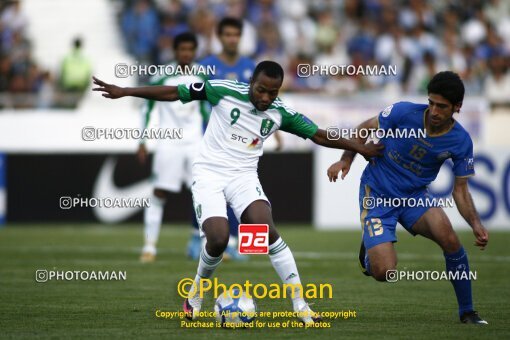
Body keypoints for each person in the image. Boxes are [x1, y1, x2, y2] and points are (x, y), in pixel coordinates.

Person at [92, 60, 383, 324]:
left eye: (273, 92)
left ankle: (301, 306)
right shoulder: (223, 90)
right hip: (208, 174)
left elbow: (319, 134)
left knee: (265, 230)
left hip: (244, 177)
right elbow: (174, 92)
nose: (266, 98)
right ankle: (195, 294)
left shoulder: (281, 112)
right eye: (261, 90)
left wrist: (358, 148)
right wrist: (126, 91)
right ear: (251, 83)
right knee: (218, 239)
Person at [327, 71, 489, 324]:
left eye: (442, 106)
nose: (434, 111)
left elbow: (460, 190)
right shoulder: (403, 112)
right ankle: (368, 254)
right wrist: (345, 160)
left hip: (414, 198)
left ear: (457, 107)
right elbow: (363, 130)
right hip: (378, 193)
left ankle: (467, 312)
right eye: (431, 103)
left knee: (450, 240)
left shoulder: (460, 141)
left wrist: (476, 225)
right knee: (384, 272)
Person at [197, 17, 282, 261]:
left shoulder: (250, 66)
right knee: (207, 189)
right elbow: (195, 98)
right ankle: (199, 236)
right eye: (228, 35)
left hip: (241, 141)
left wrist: (272, 133)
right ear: (219, 37)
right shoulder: (206, 66)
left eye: (236, 35)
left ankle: (240, 245)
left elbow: (260, 106)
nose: (232, 39)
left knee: (241, 191)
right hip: (210, 137)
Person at [137, 32, 207, 263]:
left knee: (203, 192)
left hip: (196, 143)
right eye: (182, 49)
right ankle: (149, 246)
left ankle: (207, 244)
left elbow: (209, 109)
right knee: (159, 192)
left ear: (195, 51)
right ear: (175, 51)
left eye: (190, 49)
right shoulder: (162, 75)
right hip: (168, 142)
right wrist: (143, 140)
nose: (186, 53)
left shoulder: (203, 74)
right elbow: (147, 107)